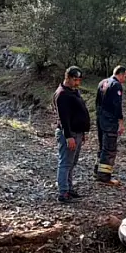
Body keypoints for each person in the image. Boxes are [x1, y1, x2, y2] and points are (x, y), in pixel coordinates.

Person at [53, 66, 89, 203]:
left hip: (78, 132)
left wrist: (83, 132)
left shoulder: (74, 91)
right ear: (67, 78)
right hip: (69, 133)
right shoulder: (62, 94)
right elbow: (63, 118)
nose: (77, 83)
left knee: (71, 163)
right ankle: (63, 193)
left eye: (79, 80)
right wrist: (68, 136)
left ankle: (68, 188)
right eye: (75, 80)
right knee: (65, 163)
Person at [95, 66, 126, 185]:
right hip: (110, 121)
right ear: (120, 74)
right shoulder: (116, 85)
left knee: (102, 146)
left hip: (100, 119)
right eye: (125, 76)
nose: (125, 79)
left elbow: (97, 102)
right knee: (109, 149)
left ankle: (97, 171)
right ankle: (104, 176)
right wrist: (120, 122)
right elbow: (117, 106)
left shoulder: (103, 82)